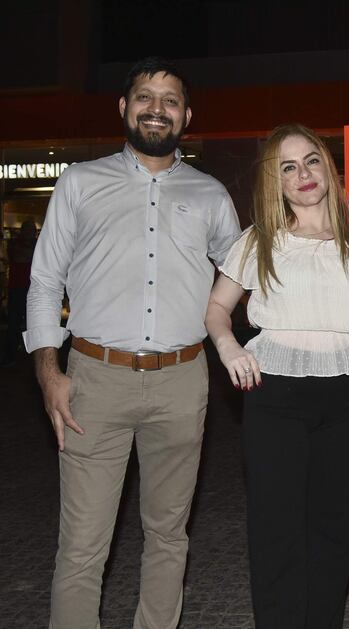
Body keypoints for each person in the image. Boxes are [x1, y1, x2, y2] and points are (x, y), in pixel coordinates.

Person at [24, 56, 241, 628]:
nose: (156, 109)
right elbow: (44, 281)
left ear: (186, 116)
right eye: (145, 97)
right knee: (82, 545)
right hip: (95, 380)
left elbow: (242, 272)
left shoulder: (212, 194)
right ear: (124, 108)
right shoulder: (79, 183)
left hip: (182, 380)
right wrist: (50, 373)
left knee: (168, 534)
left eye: (170, 100)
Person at [204, 123, 349, 629]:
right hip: (273, 392)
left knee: (336, 526)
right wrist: (229, 346)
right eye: (289, 166)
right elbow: (216, 310)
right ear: (276, 182)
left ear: (328, 166)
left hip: (346, 393)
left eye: (311, 160)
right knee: (277, 529)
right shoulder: (259, 242)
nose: (303, 174)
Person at [1, 219, 36, 366]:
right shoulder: (15, 245)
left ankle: (31, 359)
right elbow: (20, 257)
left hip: (31, 292)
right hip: (17, 291)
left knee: (32, 326)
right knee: (13, 325)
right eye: (26, 229)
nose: (29, 233)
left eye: (31, 230)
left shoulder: (34, 246)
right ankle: (11, 356)